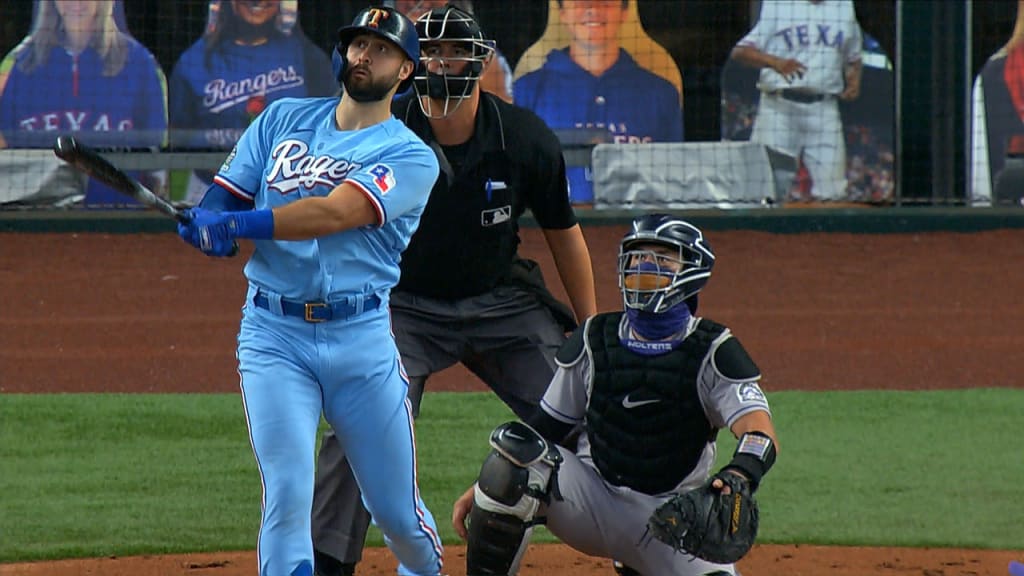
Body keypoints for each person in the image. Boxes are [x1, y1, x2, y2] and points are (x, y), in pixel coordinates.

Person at [310, 5, 597, 576]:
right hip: (404, 306)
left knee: (589, 413)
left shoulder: (524, 139)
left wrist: (592, 335)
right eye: (431, 52)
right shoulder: (378, 133)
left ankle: (633, 541)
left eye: (455, 52)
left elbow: (565, 236)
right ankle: (324, 563)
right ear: (412, 65)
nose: (443, 62)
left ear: (480, 60)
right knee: (360, 419)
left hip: (503, 306)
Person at [174, 7, 445, 576]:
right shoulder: (282, 119)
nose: (365, 55)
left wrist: (240, 227)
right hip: (274, 336)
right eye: (359, 45)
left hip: (361, 341)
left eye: (382, 49)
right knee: (288, 493)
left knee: (395, 513)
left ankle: (423, 570)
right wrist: (208, 225)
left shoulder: (411, 156)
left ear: (405, 74)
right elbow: (225, 196)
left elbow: (332, 212)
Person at [451, 213, 779, 576]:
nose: (644, 265)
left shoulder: (714, 350)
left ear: (693, 271)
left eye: (662, 257)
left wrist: (741, 472)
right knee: (513, 455)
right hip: (591, 500)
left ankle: (640, 565)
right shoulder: (594, 338)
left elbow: (758, 433)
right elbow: (546, 429)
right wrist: (487, 489)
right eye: (637, 256)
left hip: (670, 520)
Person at [513, 0, 683, 204]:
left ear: (624, 11)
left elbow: (673, 187)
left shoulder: (661, 93)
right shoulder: (526, 92)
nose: (592, 8)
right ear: (562, 12)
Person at [0, 0, 167, 206]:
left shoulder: (139, 63)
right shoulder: (24, 63)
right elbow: (6, 144)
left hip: (118, 211)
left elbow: (155, 149)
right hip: (39, 212)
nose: (76, 2)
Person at [169, 0, 336, 205]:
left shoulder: (309, 58)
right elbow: (178, 134)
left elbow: (330, 129)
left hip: (289, 192)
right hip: (210, 188)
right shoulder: (194, 61)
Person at [729, 0, 863, 203]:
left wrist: (854, 81)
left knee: (834, 191)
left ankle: (828, 235)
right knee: (764, 188)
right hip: (779, 109)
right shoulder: (777, 4)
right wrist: (776, 63)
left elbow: (853, 57)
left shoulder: (843, 6)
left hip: (824, 109)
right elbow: (740, 52)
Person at [388, 0, 513, 102]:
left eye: (457, 52)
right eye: (434, 51)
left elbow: (499, 119)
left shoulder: (480, 52)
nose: (422, 3)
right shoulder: (376, 41)